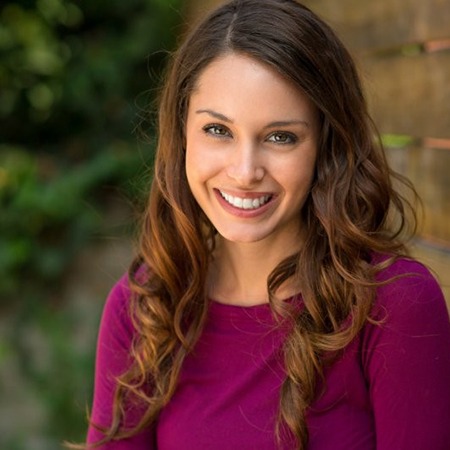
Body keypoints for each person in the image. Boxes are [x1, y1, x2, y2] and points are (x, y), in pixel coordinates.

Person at [84, 0, 450, 448]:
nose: (244, 170)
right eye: (218, 130)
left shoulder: (395, 305)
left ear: (326, 146)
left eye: (281, 137)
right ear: (182, 134)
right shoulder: (145, 307)